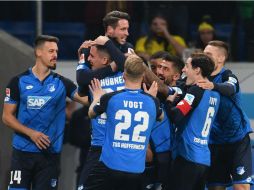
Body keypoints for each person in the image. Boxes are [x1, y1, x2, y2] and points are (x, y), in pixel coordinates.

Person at [2, 35, 88, 190]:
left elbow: (87, 100)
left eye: (56, 51)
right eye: (51, 51)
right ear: (38, 52)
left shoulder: (62, 83)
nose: (55, 55)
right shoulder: (18, 81)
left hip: (50, 156)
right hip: (22, 153)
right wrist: (31, 134)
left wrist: (84, 66)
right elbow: (7, 117)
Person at [85, 54, 163, 190]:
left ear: (123, 75)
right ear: (143, 75)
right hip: (137, 170)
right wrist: (150, 98)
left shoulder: (110, 98)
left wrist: (97, 98)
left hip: (110, 166)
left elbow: (91, 113)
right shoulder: (152, 101)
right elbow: (160, 117)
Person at [198, 40, 253, 190]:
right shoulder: (199, 77)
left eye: (208, 54)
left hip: (237, 139)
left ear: (221, 58)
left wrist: (213, 86)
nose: (204, 56)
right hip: (214, 142)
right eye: (203, 53)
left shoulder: (228, 76)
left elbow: (230, 88)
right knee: (216, 188)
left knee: (241, 187)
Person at [165, 53, 220, 190]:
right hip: (203, 159)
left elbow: (176, 116)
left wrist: (168, 102)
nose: (183, 70)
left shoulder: (196, 90)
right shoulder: (215, 93)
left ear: (197, 70)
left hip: (187, 156)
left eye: (187, 66)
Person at [76, 39, 126, 190]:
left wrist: (83, 55)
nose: (89, 59)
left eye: (92, 56)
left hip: (101, 147)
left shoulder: (92, 80)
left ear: (104, 60)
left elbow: (81, 78)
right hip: (120, 148)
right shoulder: (125, 76)